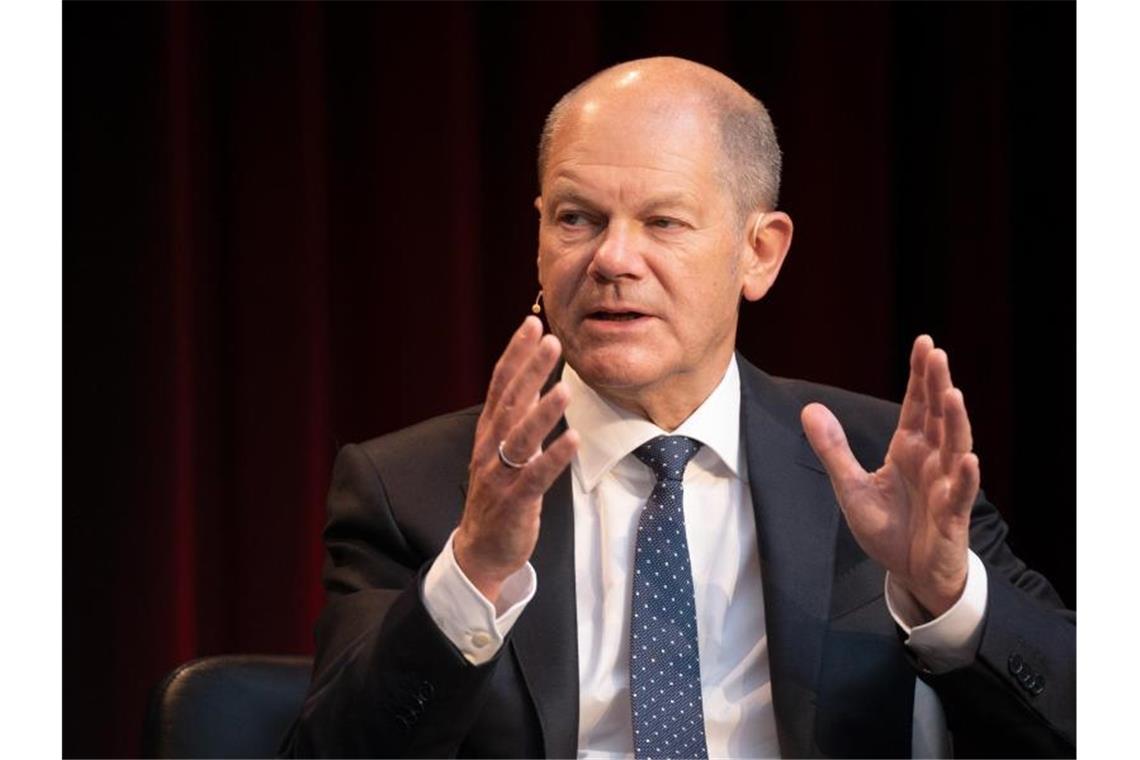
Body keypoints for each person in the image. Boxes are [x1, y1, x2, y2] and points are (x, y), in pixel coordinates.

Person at [281, 57, 1074, 759]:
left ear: (759, 252)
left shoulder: (883, 461)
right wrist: (473, 574)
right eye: (577, 219)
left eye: (662, 222)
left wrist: (949, 595)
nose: (612, 259)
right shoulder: (411, 487)